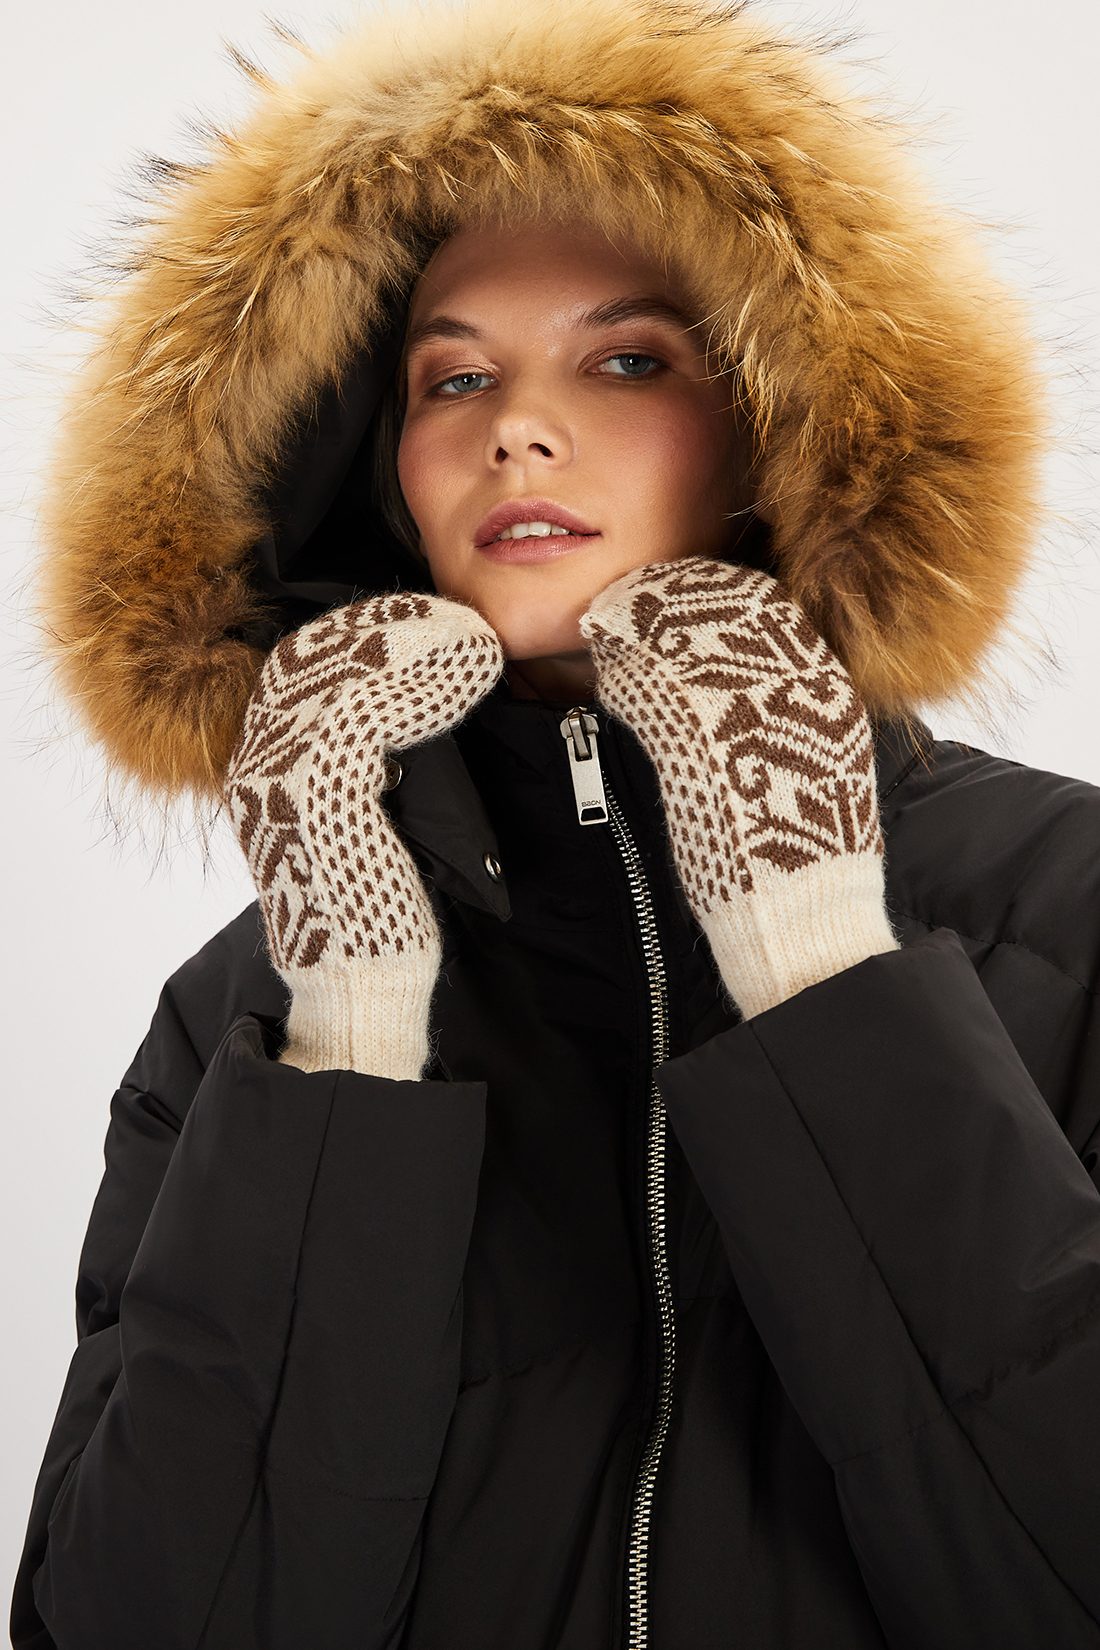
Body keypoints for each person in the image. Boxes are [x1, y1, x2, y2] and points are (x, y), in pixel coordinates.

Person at [12, 1, 1100, 1646]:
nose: (515, 425)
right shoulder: (244, 1018)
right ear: (379, 472)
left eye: (627, 358)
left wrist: (821, 962)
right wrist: (351, 1036)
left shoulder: (1070, 907)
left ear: (774, 426)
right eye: (453, 377)